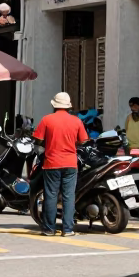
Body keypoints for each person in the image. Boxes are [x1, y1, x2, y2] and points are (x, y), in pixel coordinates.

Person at [33, 92, 88, 237]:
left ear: (54, 105)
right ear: (68, 106)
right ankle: (68, 229)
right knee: (68, 196)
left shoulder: (47, 120)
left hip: (51, 163)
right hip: (70, 163)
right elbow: (83, 141)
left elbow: (37, 140)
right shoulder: (76, 121)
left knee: (50, 195)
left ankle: (49, 229)